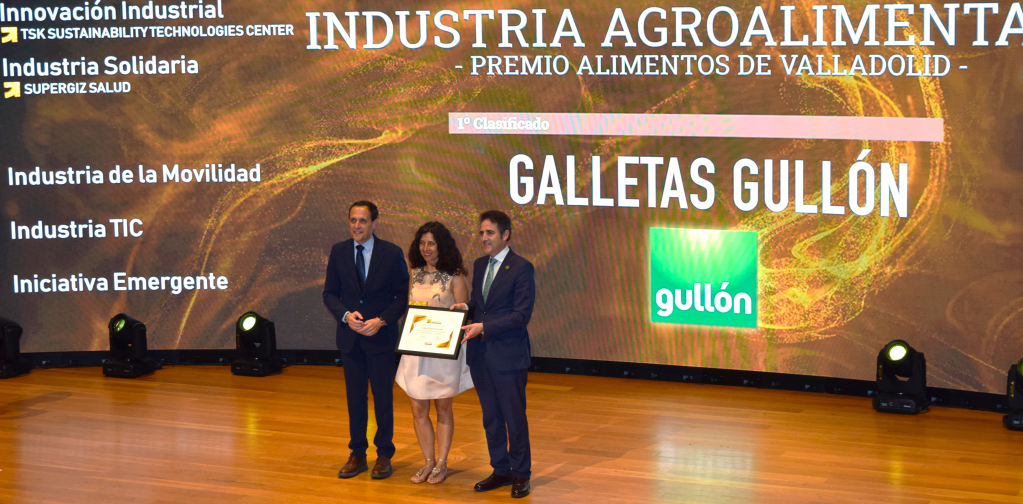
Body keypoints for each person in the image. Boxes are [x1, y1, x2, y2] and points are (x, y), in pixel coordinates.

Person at [322, 200, 410, 480]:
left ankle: (384, 454)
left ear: (374, 223)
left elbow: (401, 296)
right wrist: (346, 315)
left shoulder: (391, 252)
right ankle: (357, 454)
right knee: (355, 399)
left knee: (383, 398)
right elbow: (330, 294)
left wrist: (382, 321)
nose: (357, 226)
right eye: (353, 220)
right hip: (351, 339)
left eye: (362, 221)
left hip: (380, 338)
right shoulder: (338, 251)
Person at [453, 210, 535, 499]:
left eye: (489, 233)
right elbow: (481, 303)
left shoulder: (522, 268)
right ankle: (501, 469)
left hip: (508, 356)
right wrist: (466, 308)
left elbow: (520, 315)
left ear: (505, 235)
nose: (484, 238)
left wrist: (484, 326)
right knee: (491, 417)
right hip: (481, 356)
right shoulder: (479, 264)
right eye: (481, 233)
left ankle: (521, 474)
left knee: (514, 417)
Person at [395, 221, 473, 484]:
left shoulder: (455, 275)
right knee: (418, 409)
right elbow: (410, 310)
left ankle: (442, 463)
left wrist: (458, 312)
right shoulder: (414, 273)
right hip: (416, 351)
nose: (426, 248)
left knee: (442, 408)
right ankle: (427, 462)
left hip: (442, 352)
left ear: (442, 246)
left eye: (431, 243)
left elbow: (464, 312)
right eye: (422, 243)